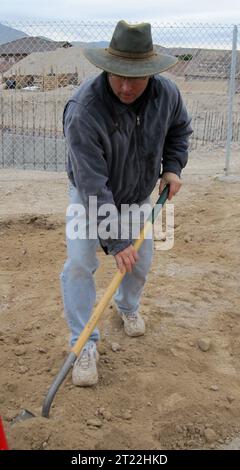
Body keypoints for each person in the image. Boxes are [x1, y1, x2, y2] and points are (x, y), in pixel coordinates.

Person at [61, 20, 192, 387]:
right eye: (118, 75)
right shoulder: (84, 109)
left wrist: (173, 167)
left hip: (137, 196)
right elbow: (90, 182)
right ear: (106, 67)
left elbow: (180, 130)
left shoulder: (167, 95)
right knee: (78, 264)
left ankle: (127, 307)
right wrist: (116, 241)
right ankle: (83, 342)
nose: (125, 85)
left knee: (140, 264)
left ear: (150, 72)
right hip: (90, 197)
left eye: (135, 76)